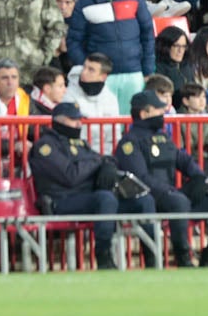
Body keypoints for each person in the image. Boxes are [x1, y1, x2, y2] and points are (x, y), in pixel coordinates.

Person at [112, 92, 208, 268]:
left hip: (174, 197)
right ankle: (183, 258)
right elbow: (141, 178)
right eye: (158, 109)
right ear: (144, 114)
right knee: (178, 201)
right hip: (153, 199)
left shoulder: (163, 137)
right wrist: (169, 192)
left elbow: (184, 160)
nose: (163, 114)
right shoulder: (129, 142)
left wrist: (201, 179)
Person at [29, 102, 132, 270]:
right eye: (74, 120)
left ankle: (156, 258)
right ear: (59, 121)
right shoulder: (45, 146)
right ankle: (103, 254)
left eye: (80, 120)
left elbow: (103, 159)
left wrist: (108, 165)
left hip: (86, 198)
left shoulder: (79, 144)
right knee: (105, 199)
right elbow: (70, 176)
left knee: (138, 199)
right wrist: (98, 162)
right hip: (60, 201)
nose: (79, 124)